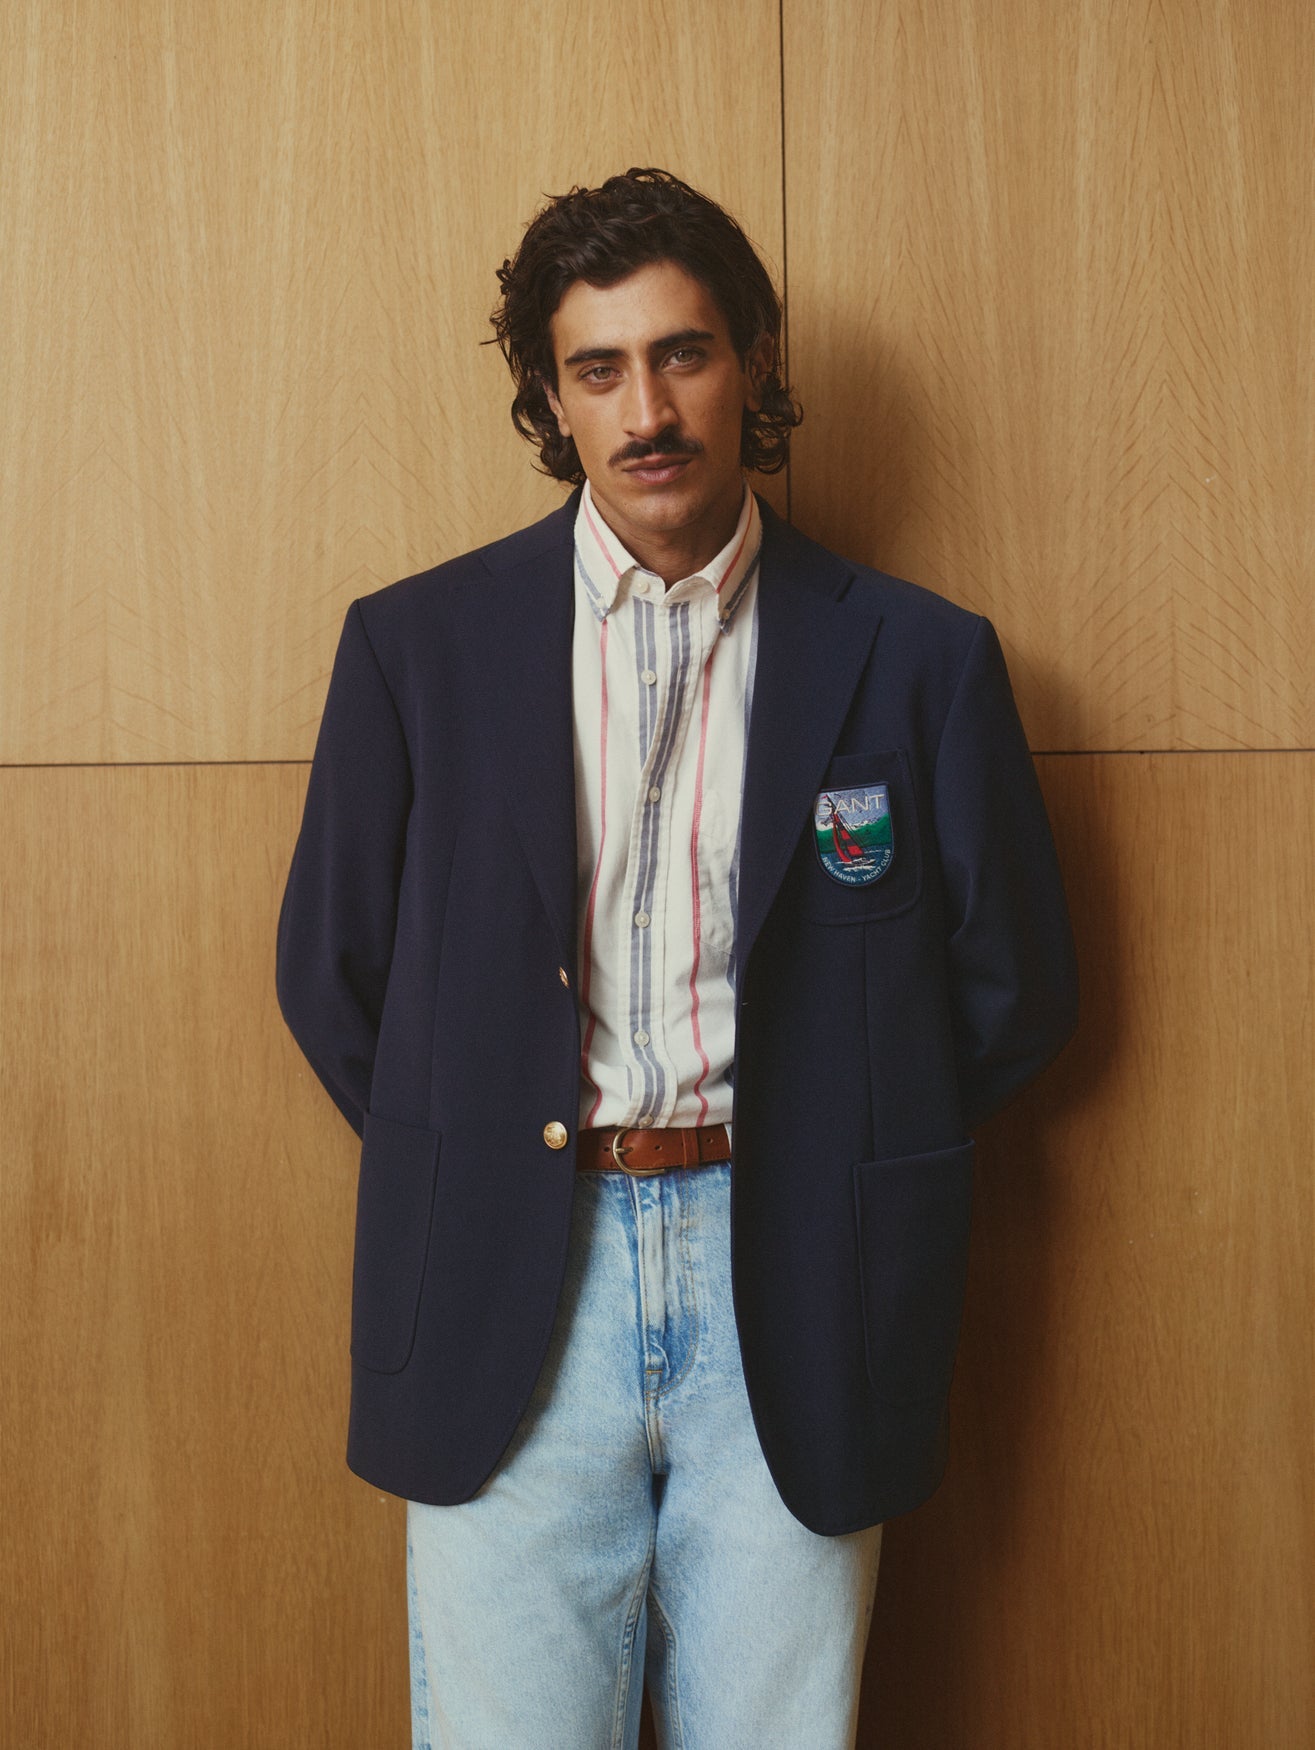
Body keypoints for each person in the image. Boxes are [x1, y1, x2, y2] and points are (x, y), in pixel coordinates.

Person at [276, 166, 1077, 1750]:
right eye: (599, 369)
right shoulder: (417, 650)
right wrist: (489, 1150)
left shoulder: (920, 661)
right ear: (552, 398)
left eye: (682, 354)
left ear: (755, 362)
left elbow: (1014, 987)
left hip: (804, 1276)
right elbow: (333, 968)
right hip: (512, 1283)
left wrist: (837, 1147)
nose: (646, 411)